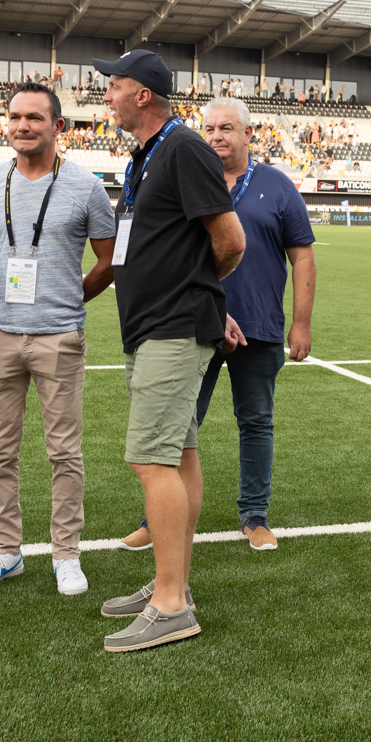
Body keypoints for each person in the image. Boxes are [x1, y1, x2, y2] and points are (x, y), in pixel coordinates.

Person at [93, 49, 245, 653]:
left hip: (173, 326)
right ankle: (171, 581)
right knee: (178, 454)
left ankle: (171, 604)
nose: (106, 95)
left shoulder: (183, 148)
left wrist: (197, 293)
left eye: (114, 86)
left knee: (150, 461)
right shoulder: (148, 154)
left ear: (144, 96)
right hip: (156, 325)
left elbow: (228, 242)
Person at [118, 97, 316, 554]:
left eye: (226, 128)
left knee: (256, 422)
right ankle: (160, 518)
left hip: (260, 324)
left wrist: (300, 324)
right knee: (180, 424)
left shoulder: (278, 186)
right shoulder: (187, 172)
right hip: (193, 323)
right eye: (208, 129)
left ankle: (255, 515)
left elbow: (302, 257)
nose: (215, 137)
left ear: (249, 134)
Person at [0, 82, 116, 597]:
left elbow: (108, 262)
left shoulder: (87, 187)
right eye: (15, 117)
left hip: (59, 336)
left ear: (58, 127)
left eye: (34, 118)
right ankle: (5, 552)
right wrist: (13, 298)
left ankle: (66, 555)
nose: (22, 126)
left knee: (63, 452)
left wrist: (67, 301)